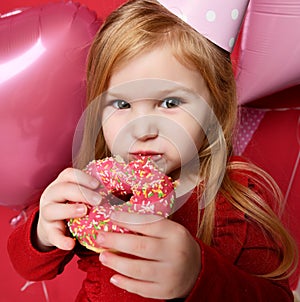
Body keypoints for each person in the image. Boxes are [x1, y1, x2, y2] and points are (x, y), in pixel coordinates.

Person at [7, 0, 298, 301]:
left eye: (170, 103)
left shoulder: (239, 199)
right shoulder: (92, 191)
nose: (143, 130)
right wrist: (43, 232)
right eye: (121, 104)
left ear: (215, 106)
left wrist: (198, 276)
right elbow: (28, 268)